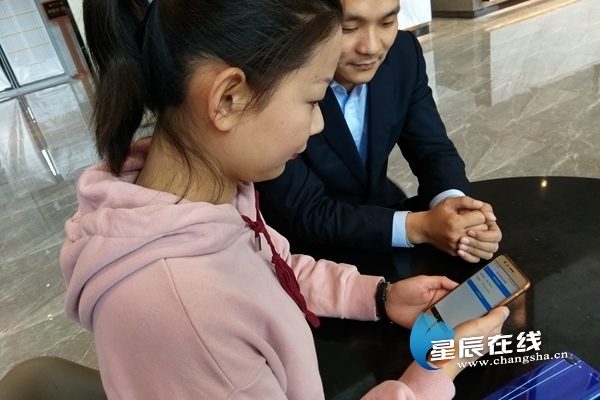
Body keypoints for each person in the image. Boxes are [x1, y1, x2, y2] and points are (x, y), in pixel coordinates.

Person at [60, 0, 509, 398]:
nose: (318, 124)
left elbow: (271, 268)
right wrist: (437, 370)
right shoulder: (186, 313)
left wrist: (377, 296)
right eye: (312, 100)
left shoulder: (210, 200)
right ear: (228, 99)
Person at [257, 0, 501, 264]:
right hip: (300, 253)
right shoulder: (276, 79)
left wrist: (456, 208)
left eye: (387, 23)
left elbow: (432, 149)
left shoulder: (403, 54)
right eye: (348, 28)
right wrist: (418, 227)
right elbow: (306, 211)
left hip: (385, 215)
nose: (371, 47)